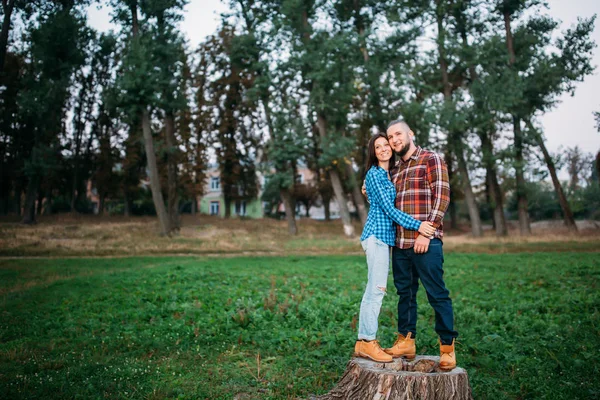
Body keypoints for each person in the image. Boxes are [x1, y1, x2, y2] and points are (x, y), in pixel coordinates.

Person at [380, 119, 458, 371]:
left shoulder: (430, 158)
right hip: (400, 243)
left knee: (437, 294)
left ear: (410, 134)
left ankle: (447, 347)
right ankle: (406, 341)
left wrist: (428, 233)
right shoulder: (394, 170)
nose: (394, 140)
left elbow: (442, 195)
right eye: (390, 137)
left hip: (426, 241)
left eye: (398, 134)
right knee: (405, 294)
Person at [353, 133, 436, 363]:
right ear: (373, 152)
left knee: (375, 288)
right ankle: (367, 341)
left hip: (384, 239)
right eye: (377, 147)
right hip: (376, 237)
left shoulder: (389, 174)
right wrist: (419, 224)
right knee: (376, 290)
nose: (382, 149)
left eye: (385, 145)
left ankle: (363, 342)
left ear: (391, 147)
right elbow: (390, 211)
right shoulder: (374, 174)